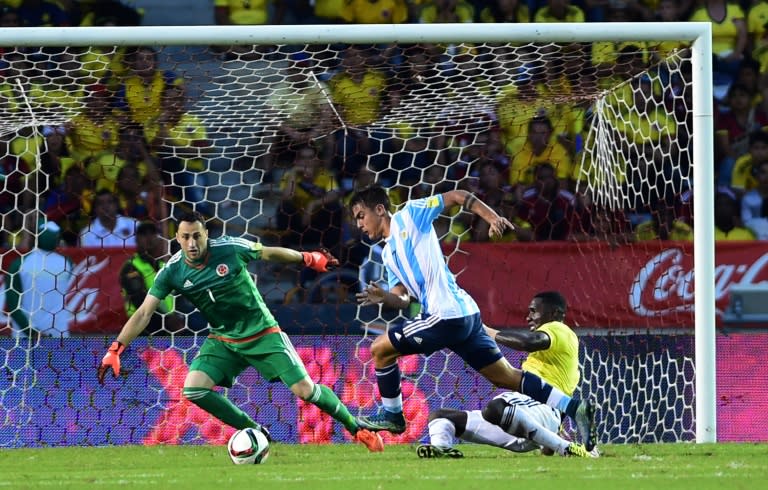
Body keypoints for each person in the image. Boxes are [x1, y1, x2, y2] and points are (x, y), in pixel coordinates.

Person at [97, 211, 384, 452]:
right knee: (194, 389)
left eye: (197, 235)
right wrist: (116, 348)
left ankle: (356, 427)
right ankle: (254, 431)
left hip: (262, 332)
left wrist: (307, 258)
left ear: (206, 234)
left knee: (305, 390)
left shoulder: (229, 249)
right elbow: (144, 312)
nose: (192, 242)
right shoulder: (171, 272)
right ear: (178, 239)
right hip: (223, 338)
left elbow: (268, 253)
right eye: (185, 237)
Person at [348, 185, 597, 451]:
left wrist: (491, 217)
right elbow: (403, 297)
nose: (359, 224)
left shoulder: (410, 215)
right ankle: (576, 407)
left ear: (379, 209)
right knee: (506, 376)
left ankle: (393, 416)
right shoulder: (388, 254)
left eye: (361, 215)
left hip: (445, 315)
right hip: (466, 315)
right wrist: (385, 297)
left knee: (380, 349)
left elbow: (457, 196)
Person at [417, 291, 594, 459]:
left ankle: (565, 448)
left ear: (554, 313)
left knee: (496, 408)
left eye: (534, 311)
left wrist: (487, 331)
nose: (528, 317)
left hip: (540, 408)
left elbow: (528, 342)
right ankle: (441, 450)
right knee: (440, 416)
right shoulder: (557, 345)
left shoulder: (558, 329)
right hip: (521, 420)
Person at [5, 220, 73, 338]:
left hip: (24, 337)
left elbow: (13, 305)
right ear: (58, 239)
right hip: (58, 335)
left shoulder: (19, 264)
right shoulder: (67, 263)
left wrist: (33, 332)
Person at [119, 222, 183, 336]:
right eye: (144, 234)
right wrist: (167, 320)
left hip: (168, 329)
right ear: (137, 239)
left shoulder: (164, 265)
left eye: (153, 233)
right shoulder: (131, 267)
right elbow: (139, 299)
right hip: (142, 329)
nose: (149, 238)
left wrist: (179, 317)